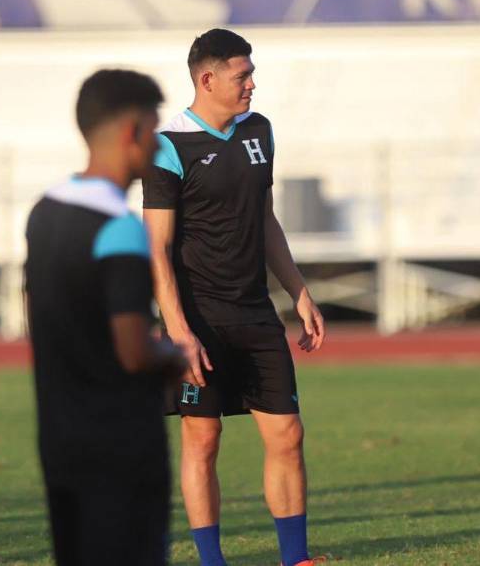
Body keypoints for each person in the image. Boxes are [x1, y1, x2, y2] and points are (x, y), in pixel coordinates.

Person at [143, 29, 326, 566]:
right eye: (241, 75)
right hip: (196, 319)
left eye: (251, 73)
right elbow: (157, 249)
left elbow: (264, 219)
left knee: (287, 434)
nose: (251, 84)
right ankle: (212, 562)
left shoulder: (260, 131)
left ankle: (297, 559)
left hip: (254, 312)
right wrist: (178, 330)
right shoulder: (169, 145)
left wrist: (300, 291)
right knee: (203, 441)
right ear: (208, 78)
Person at [24, 68, 186, 566]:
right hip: (118, 442)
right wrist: (175, 354)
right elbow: (133, 351)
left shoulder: (45, 211)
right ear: (132, 130)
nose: (158, 145)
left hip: (59, 434)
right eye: (154, 130)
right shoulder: (120, 229)